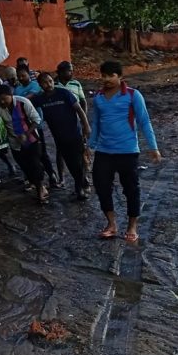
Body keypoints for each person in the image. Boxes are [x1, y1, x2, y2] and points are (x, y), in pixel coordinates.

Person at [90, 61, 161, 243]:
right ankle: (111, 224)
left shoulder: (132, 95)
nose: (105, 79)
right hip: (104, 151)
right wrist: (89, 146)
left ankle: (132, 226)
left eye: (110, 75)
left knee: (131, 190)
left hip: (127, 151)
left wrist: (153, 147)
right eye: (103, 75)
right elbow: (96, 124)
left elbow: (144, 121)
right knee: (101, 187)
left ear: (120, 77)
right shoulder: (98, 98)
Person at [0, 84, 48, 204]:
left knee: (34, 164)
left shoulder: (23, 102)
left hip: (31, 140)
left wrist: (26, 133)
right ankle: (35, 183)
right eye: (0, 99)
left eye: (5, 98)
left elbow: (36, 120)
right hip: (15, 143)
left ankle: (41, 189)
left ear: (11, 95)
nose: (2, 102)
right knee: (24, 165)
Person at [31, 73, 91, 201]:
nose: (49, 84)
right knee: (69, 162)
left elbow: (79, 110)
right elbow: (27, 105)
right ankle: (81, 181)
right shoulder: (40, 99)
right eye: (45, 82)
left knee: (78, 161)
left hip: (74, 133)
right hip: (59, 136)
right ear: (40, 85)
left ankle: (79, 187)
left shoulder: (64, 93)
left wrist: (86, 126)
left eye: (51, 81)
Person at [54, 61, 88, 189]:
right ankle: (61, 178)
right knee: (60, 151)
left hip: (76, 122)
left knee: (80, 150)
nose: (72, 73)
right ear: (62, 72)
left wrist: (83, 118)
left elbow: (83, 101)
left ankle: (84, 177)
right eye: (69, 70)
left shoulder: (76, 83)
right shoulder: (55, 86)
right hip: (61, 123)